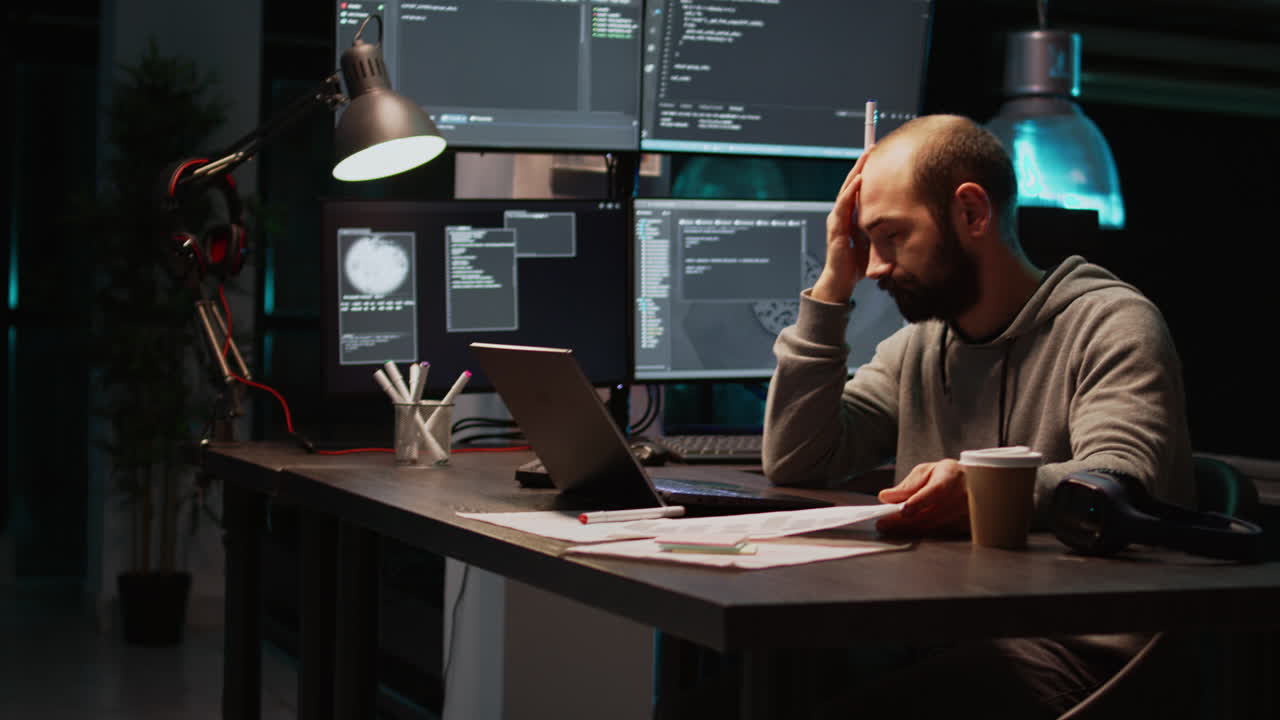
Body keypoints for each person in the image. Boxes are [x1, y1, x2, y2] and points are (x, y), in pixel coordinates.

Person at [762, 115, 1196, 718]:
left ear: (971, 214)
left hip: (1077, 650)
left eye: (890, 237)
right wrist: (833, 282)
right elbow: (797, 458)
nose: (876, 267)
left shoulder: (1111, 324)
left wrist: (985, 489)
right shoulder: (919, 348)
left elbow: (1120, 479)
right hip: (939, 631)